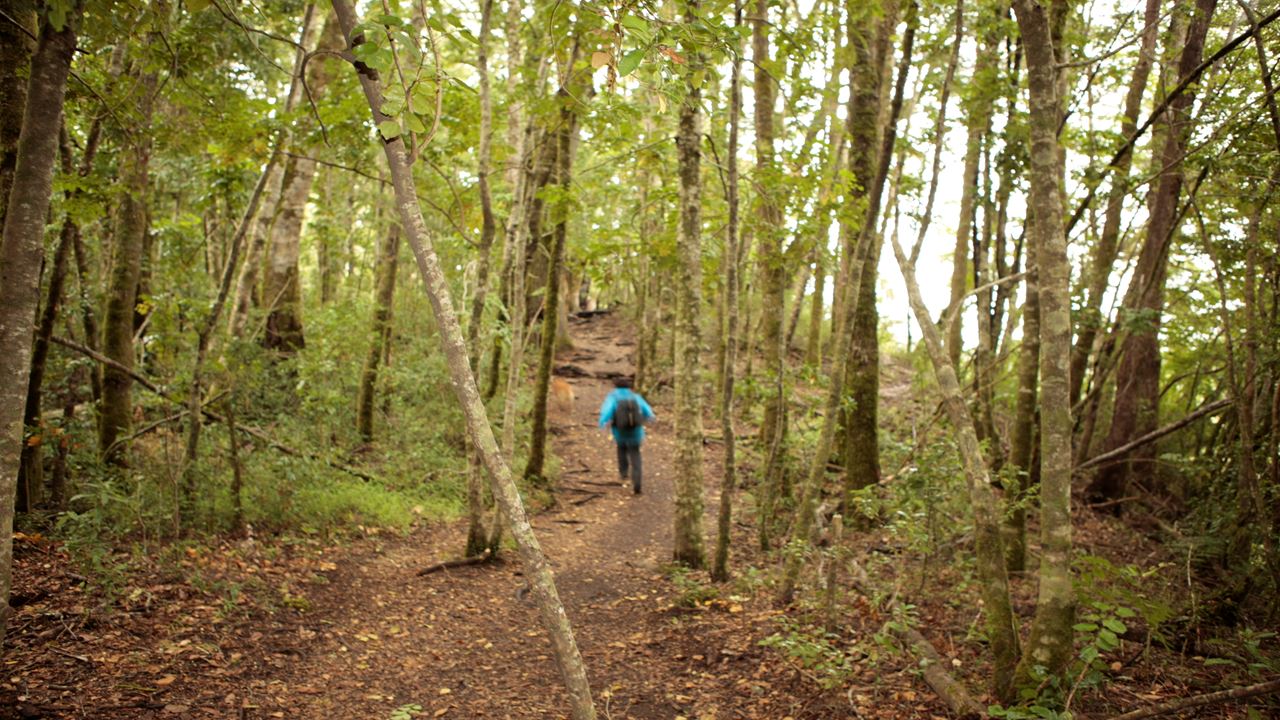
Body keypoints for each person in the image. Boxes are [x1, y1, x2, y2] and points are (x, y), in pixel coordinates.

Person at [598, 377, 655, 494]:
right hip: (636, 431)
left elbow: (606, 412)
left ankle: (623, 473)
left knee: (621, 448)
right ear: (629, 387)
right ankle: (637, 482)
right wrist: (650, 419)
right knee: (635, 453)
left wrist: (602, 424)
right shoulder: (635, 397)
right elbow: (648, 412)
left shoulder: (613, 397)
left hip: (620, 431)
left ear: (615, 386)